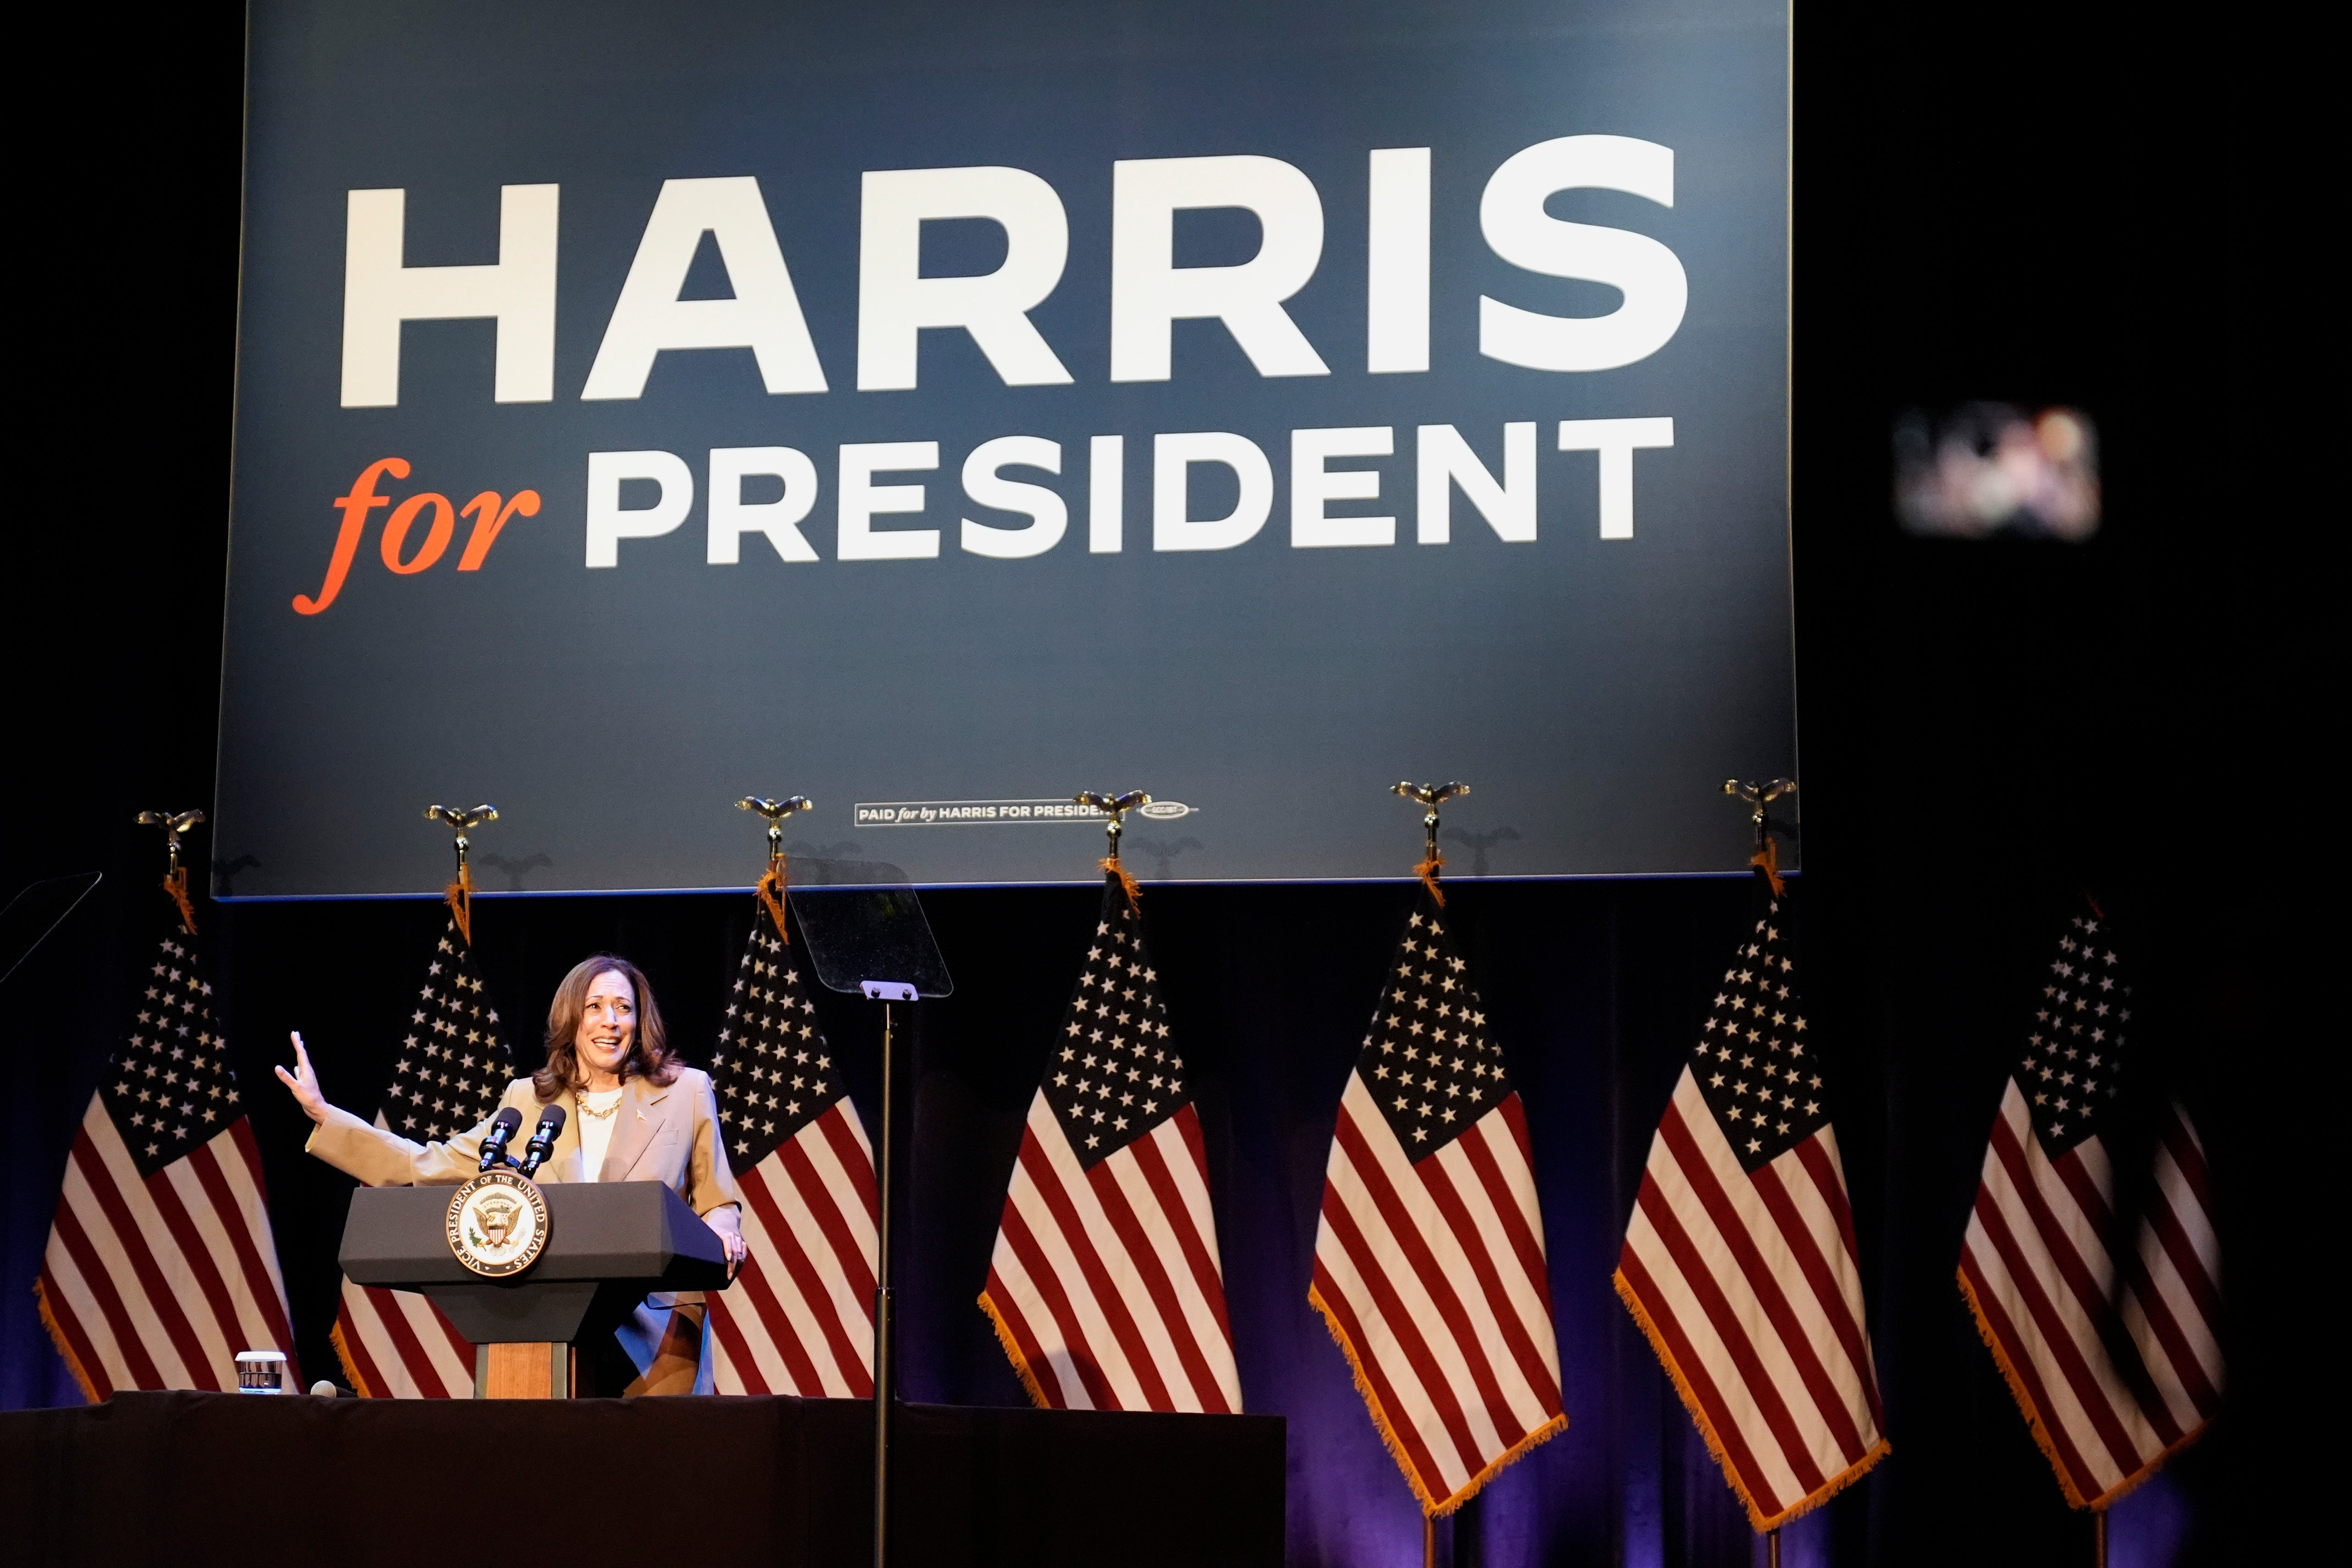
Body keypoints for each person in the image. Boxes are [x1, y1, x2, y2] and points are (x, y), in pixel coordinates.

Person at [277, 953, 746, 1395]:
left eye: (624, 1008)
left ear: (639, 1021)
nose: (611, 1021)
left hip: (656, 1331)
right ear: (572, 1019)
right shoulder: (528, 1101)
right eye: (596, 1007)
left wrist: (724, 1231)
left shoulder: (686, 1091)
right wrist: (326, 1116)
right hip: (551, 1322)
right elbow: (429, 1163)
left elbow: (716, 1199)